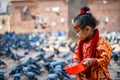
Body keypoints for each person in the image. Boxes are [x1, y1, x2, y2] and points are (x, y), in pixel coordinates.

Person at [72, 6, 112, 80]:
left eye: (78, 32)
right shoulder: (81, 43)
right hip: (84, 75)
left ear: (87, 29)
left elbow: (105, 59)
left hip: (97, 76)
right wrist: (75, 61)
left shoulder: (101, 43)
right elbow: (76, 53)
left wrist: (92, 61)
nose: (76, 35)